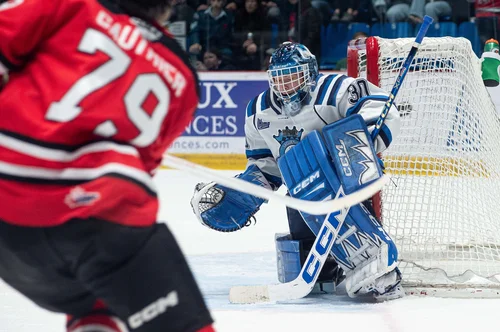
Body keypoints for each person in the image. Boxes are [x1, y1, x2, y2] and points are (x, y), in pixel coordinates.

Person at [0, 0, 215, 331]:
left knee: (97, 299)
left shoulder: (75, 5)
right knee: (116, 296)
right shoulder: (184, 78)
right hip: (101, 215)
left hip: (8, 191)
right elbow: (145, 162)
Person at [191, 42, 404, 300]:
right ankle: (325, 270)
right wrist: (245, 190)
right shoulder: (258, 111)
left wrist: (358, 138)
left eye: (293, 77)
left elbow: (381, 107)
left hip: (351, 178)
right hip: (304, 188)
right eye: (279, 79)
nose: (285, 85)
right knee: (298, 177)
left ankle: (374, 259)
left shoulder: (336, 90)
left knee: (314, 172)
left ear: (310, 74)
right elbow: (266, 166)